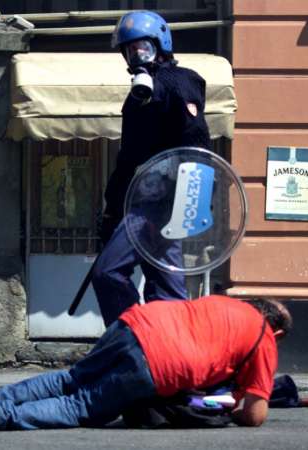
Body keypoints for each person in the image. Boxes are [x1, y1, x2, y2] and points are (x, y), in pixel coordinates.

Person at [0, 295, 292, 430]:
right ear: (276, 332)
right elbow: (255, 414)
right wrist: (237, 407)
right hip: (161, 362)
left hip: (135, 323)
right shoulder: (265, 339)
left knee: (69, 379)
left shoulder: (229, 303)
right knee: (82, 406)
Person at [92, 10, 212, 326]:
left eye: (142, 48)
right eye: (130, 50)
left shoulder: (182, 79)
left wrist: (197, 199)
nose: (136, 56)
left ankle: (143, 341)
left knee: (121, 274)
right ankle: (155, 344)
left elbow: (196, 140)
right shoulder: (135, 101)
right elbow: (127, 160)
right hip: (144, 202)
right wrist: (110, 211)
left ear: (160, 45)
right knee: (155, 284)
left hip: (167, 202)